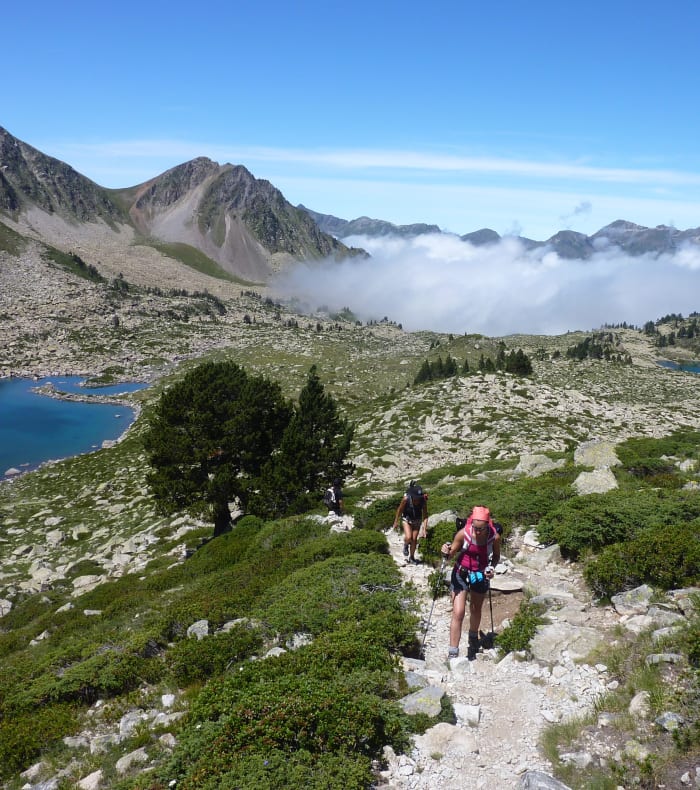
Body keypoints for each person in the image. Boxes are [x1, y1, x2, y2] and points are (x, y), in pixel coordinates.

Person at [441, 505, 501, 660]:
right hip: (461, 572)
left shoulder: (494, 537)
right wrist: (446, 551)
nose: (477, 531)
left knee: (476, 609)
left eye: (481, 529)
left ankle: (473, 637)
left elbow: (495, 557)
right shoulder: (464, 533)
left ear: (488, 525)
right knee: (459, 612)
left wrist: (491, 568)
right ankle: (453, 651)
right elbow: (452, 553)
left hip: (480, 574)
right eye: (475, 527)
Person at [392, 481, 428, 564]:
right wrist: (396, 521)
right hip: (407, 519)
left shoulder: (423, 501)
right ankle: (405, 545)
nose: (417, 499)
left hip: (417, 520)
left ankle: (412, 557)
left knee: (414, 539)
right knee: (409, 537)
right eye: (416, 497)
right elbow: (399, 510)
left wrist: (424, 529)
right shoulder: (406, 499)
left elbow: (425, 515)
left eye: (418, 497)